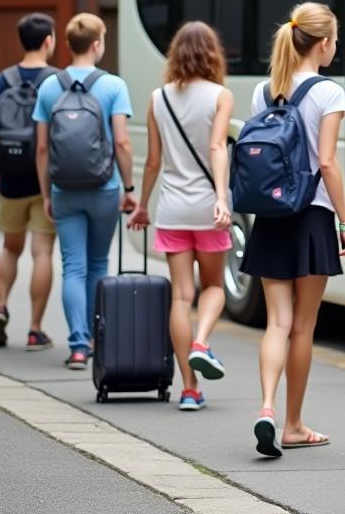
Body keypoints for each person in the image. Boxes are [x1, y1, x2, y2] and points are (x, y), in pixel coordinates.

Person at [241, 2, 345, 458]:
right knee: (303, 328)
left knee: (276, 322)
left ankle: (266, 407)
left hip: (271, 216)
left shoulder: (263, 91)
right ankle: (292, 424)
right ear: (325, 43)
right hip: (311, 217)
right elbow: (327, 163)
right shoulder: (329, 94)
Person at [128, 22, 234, 412]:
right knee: (215, 288)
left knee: (181, 295)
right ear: (212, 53)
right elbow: (217, 146)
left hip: (172, 209)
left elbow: (154, 160)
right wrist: (222, 198)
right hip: (208, 208)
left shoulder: (158, 98)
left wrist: (141, 205)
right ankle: (202, 343)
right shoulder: (221, 96)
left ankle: (189, 390)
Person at [33, 13, 136, 371]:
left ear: (67, 45)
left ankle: (77, 346)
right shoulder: (113, 86)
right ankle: (95, 338)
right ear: (97, 45)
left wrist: (47, 193)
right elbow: (122, 142)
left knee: (72, 267)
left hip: (64, 188)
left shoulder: (49, 87)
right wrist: (128, 187)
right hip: (104, 187)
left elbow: (43, 149)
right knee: (97, 264)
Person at [0, 13, 58, 350]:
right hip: (45, 181)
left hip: (10, 178)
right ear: (48, 41)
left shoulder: (0, 82)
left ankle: (1, 307)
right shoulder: (57, 81)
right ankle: (35, 328)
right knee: (42, 252)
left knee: (10, 247)